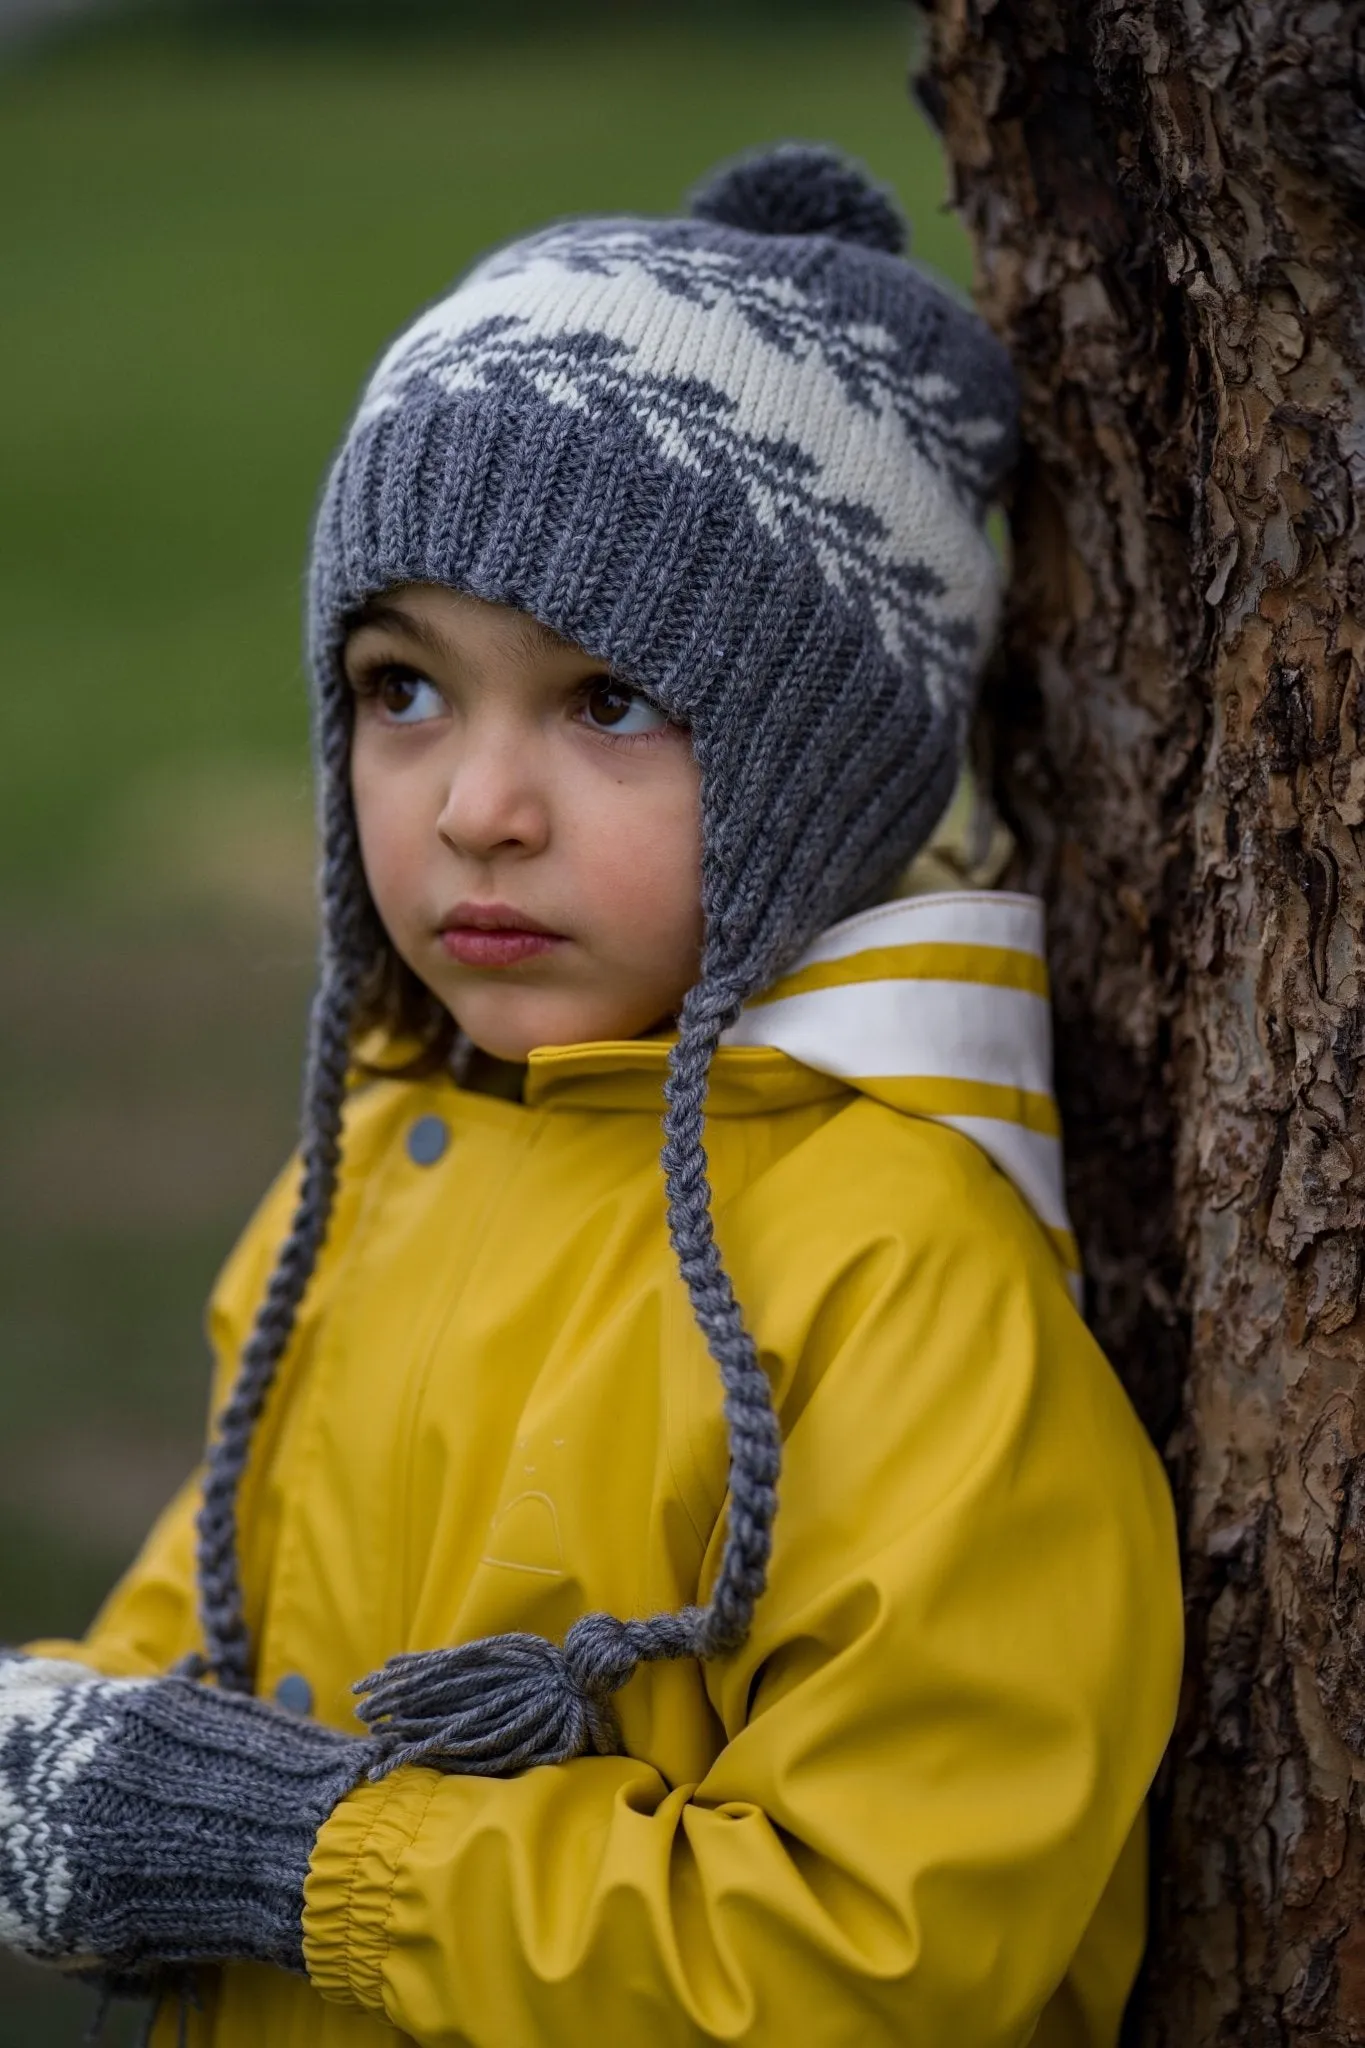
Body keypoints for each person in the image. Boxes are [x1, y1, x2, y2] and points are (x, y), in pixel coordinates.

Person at [0, 144, 1182, 2047]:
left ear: (817, 770)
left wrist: (313, 1863)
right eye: (405, 687)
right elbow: (213, 1620)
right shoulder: (378, 1162)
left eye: (607, 699)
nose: (477, 804)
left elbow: (866, 1955)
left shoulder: (904, 1281)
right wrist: (76, 1768)